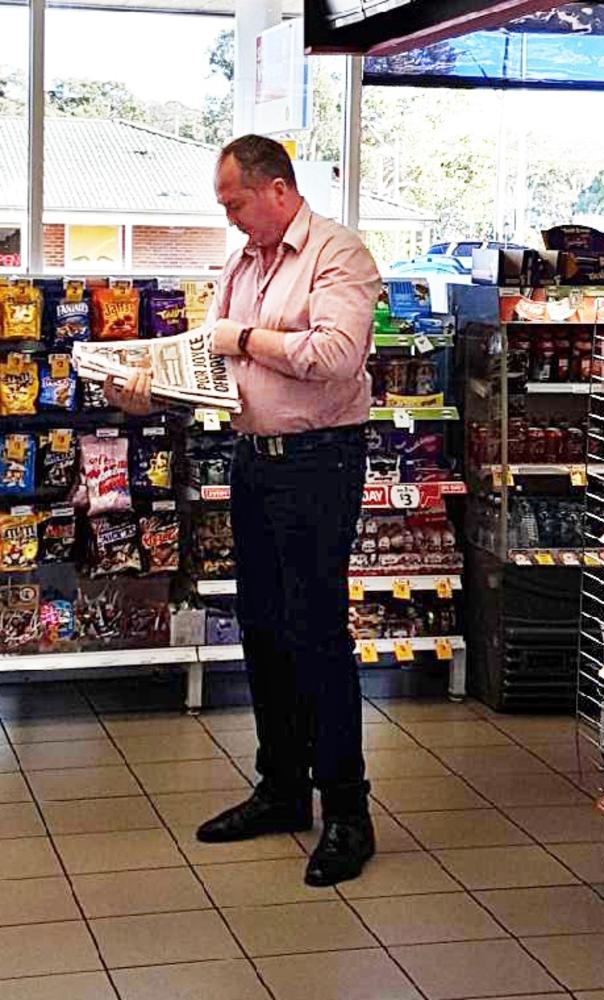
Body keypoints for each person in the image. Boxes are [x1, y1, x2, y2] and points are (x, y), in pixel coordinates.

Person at [105, 134, 381, 887]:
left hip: (322, 462)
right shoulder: (241, 265)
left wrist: (245, 337)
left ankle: (348, 812)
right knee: (261, 628)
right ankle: (283, 789)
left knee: (316, 632)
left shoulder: (338, 255)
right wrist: (145, 387)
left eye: (233, 202)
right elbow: (213, 367)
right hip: (255, 461)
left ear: (276, 190)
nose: (227, 218)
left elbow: (337, 355)